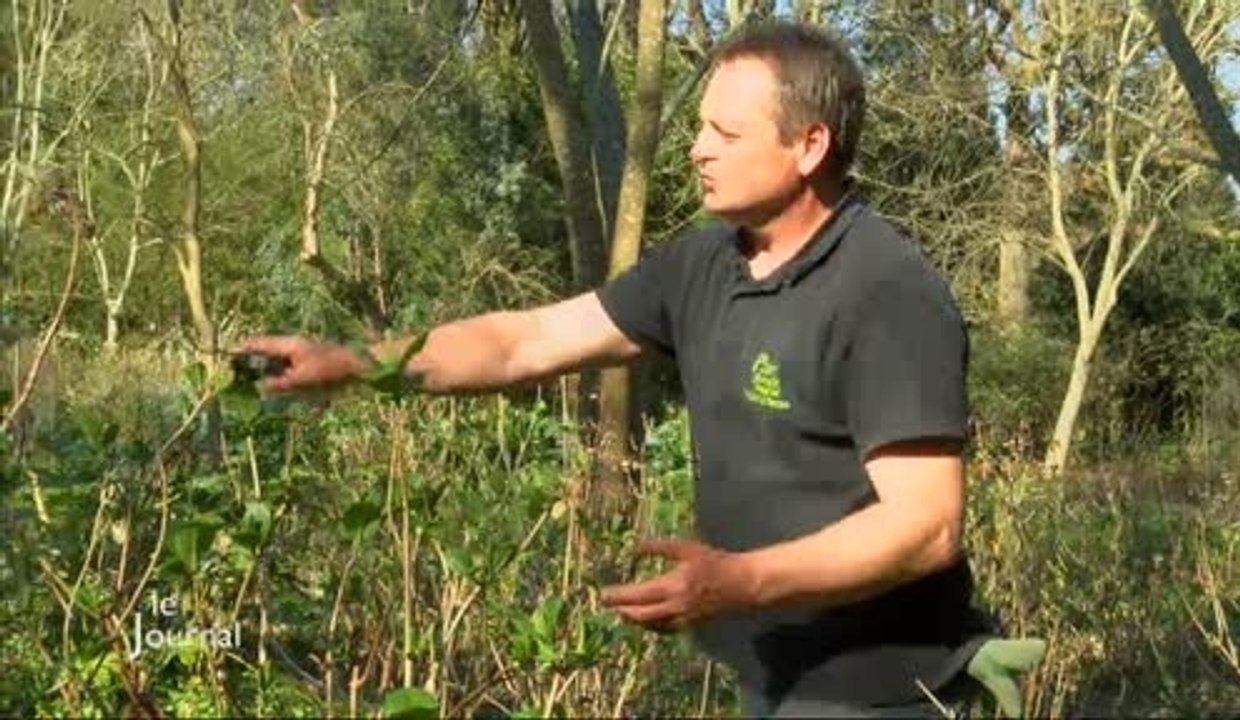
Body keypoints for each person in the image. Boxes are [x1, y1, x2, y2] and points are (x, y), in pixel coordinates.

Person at [239, 20, 996, 718]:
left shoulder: (887, 292)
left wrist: (737, 582)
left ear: (810, 146)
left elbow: (925, 528)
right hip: (771, 676)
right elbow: (524, 342)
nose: (697, 147)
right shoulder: (703, 264)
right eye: (701, 125)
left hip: (883, 696)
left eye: (725, 132)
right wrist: (354, 363)